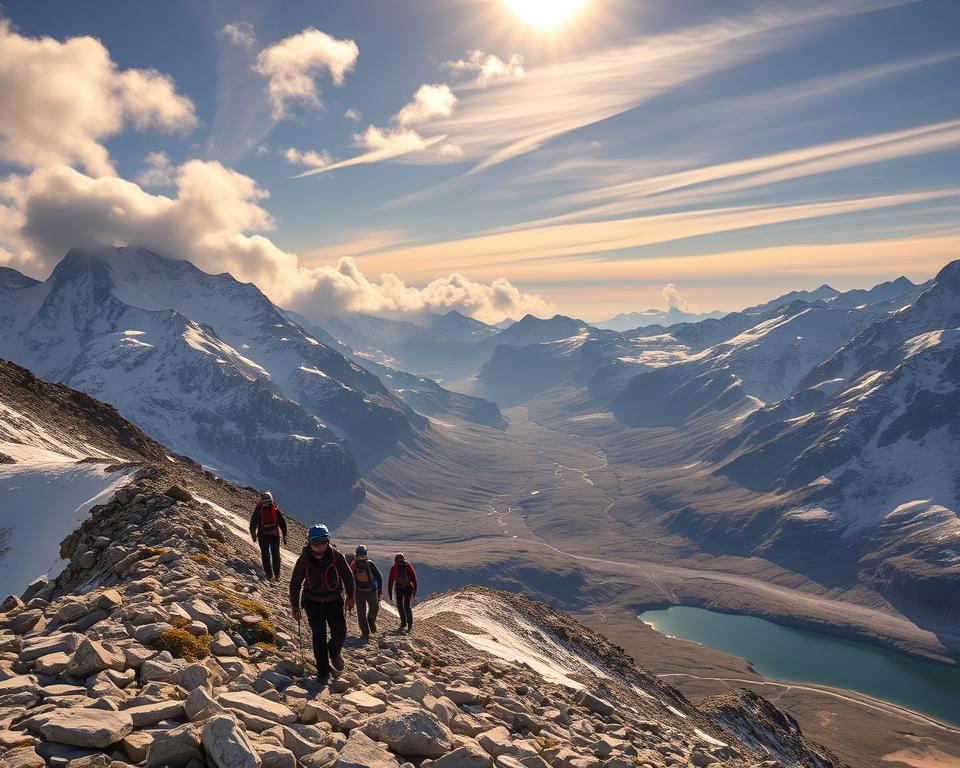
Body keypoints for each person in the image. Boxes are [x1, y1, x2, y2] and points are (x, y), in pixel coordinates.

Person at [289, 524, 355, 684]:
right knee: (319, 636)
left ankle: (333, 652)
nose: (319, 546)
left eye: (323, 542)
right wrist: (295, 606)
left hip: (334, 601)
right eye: (315, 542)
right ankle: (323, 672)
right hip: (313, 603)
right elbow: (295, 583)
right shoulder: (304, 559)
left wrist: (351, 596)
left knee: (340, 632)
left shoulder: (336, 556)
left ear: (327, 541)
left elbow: (348, 576)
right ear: (309, 542)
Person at [249, 490, 288, 581]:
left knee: (265, 555)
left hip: (262, 535)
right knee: (275, 554)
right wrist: (284, 536)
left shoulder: (259, 508)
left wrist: (253, 535)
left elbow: (253, 523)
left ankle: (269, 576)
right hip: (275, 534)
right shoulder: (274, 508)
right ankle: (277, 574)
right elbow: (282, 523)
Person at [349, 545, 383, 640]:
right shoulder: (367, 564)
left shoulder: (355, 564)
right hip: (367, 591)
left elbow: (349, 578)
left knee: (365, 611)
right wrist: (379, 589)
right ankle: (368, 629)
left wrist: (350, 592)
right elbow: (379, 577)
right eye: (360, 555)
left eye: (362, 555)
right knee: (369, 610)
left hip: (361, 591)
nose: (361, 557)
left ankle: (367, 629)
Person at [387, 552, 417, 632]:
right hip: (408, 587)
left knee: (400, 605)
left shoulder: (394, 567)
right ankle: (409, 625)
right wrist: (414, 593)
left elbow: (390, 582)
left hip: (399, 588)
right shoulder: (408, 566)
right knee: (407, 606)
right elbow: (414, 579)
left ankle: (403, 623)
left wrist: (390, 596)